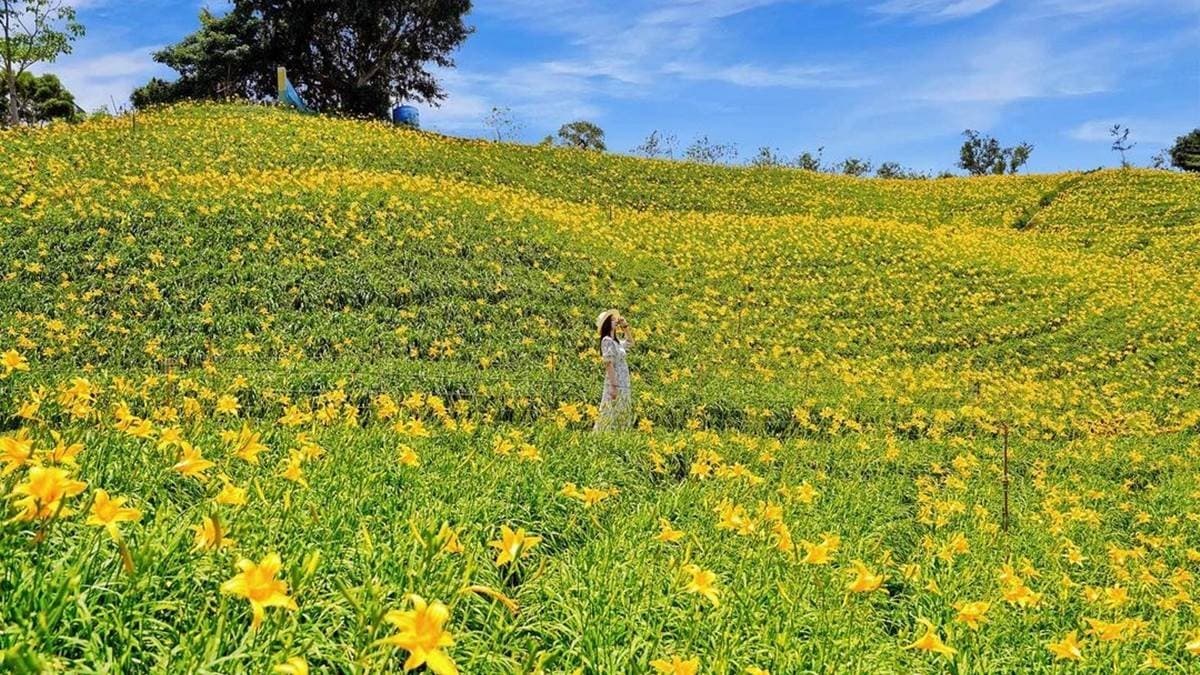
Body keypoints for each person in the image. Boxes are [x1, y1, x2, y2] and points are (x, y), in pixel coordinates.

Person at [594, 309, 634, 431]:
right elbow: (608, 365)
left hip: (623, 379)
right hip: (615, 380)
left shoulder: (616, 343)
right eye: (612, 320)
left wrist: (625, 326)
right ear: (606, 324)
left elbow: (631, 343)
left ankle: (619, 434)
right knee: (610, 408)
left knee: (622, 406)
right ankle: (603, 435)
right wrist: (614, 385)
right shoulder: (606, 341)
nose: (615, 321)